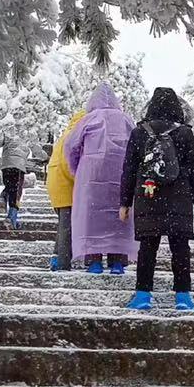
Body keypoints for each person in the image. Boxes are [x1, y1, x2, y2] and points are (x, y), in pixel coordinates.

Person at [120, 87, 194, 312]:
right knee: (180, 248)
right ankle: (183, 296)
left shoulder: (139, 132)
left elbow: (129, 170)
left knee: (147, 247)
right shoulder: (184, 133)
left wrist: (124, 203)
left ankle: (143, 295)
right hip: (178, 197)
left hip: (148, 195)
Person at [64, 84, 137, 275]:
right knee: (118, 217)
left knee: (92, 217)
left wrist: (76, 169)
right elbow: (138, 145)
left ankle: (94, 260)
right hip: (121, 175)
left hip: (92, 176)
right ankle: (118, 261)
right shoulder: (126, 120)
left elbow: (71, 146)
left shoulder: (88, 119)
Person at [45, 109, 87, 271]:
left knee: (64, 225)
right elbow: (69, 164)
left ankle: (56, 259)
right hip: (66, 185)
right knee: (67, 227)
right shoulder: (75, 136)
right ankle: (63, 263)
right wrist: (81, 181)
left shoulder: (67, 133)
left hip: (57, 183)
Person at [0, 134, 29, 228]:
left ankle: (2, 198)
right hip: (18, 166)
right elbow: (36, 149)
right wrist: (46, 157)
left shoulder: (8, 133)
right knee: (16, 192)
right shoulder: (28, 133)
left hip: (6, 165)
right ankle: (11, 218)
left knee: (9, 187)